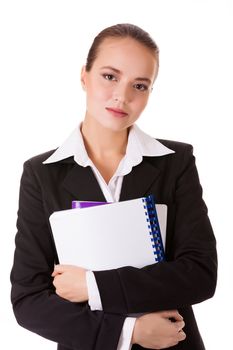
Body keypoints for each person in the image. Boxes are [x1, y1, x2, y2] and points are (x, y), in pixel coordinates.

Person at [10, 23, 217, 350]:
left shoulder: (175, 162)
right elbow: (29, 299)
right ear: (84, 76)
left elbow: (200, 275)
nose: (123, 95)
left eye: (140, 85)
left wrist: (93, 286)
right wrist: (129, 331)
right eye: (110, 76)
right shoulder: (41, 174)